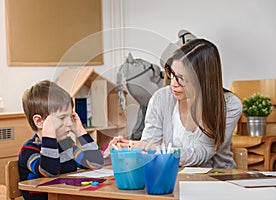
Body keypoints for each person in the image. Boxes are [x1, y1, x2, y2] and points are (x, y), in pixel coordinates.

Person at [105, 38, 242, 169]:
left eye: (181, 78)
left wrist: (155, 149)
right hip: (171, 176)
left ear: (203, 80)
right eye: (171, 74)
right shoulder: (161, 98)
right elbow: (149, 143)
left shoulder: (229, 105)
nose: (173, 84)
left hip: (216, 179)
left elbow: (201, 153)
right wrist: (130, 146)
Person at [19, 80, 104, 200]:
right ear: (39, 121)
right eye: (62, 118)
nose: (69, 123)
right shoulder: (29, 150)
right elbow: (49, 171)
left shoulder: (67, 145)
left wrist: (80, 131)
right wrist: (49, 134)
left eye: (70, 117)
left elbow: (95, 163)